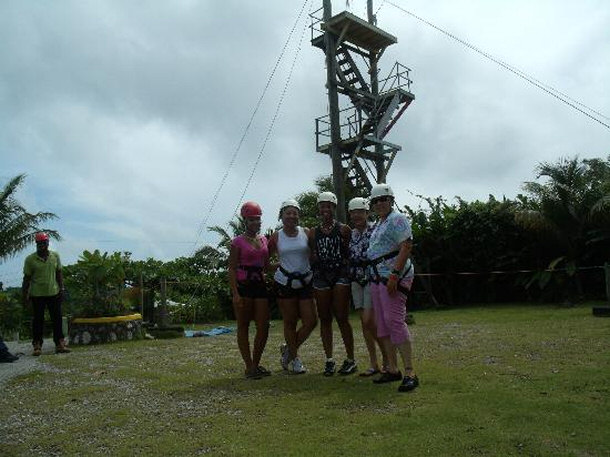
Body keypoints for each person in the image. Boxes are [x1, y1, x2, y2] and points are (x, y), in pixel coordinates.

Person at [366, 183, 419, 392]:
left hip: (392, 276)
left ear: (391, 200)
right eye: (376, 201)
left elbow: (406, 245)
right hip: (378, 277)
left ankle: (410, 372)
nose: (380, 203)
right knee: (382, 324)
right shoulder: (380, 222)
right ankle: (392, 368)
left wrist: (395, 275)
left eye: (383, 199)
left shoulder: (397, 219)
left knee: (394, 321)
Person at [308, 191, 357, 376]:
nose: (325, 209)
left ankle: (351, 359)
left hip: (340, 274)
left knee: (342, 317)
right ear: (318, 209)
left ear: (334, 208)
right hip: (321, 275)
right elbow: (312, 254)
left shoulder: (344, 229)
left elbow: (350, 252)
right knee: (325, 318)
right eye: (322, 206)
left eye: (328, 206)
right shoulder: (313, 232)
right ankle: (329, 359)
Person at [268, 199, 317, 374]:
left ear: (299, 216)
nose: (291, 216)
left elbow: (313, 254)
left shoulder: (306, 232)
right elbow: (266, 260)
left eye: (295, 213)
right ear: (281, 215)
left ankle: (289, 350)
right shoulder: (276, 236)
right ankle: (295, 359)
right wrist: (280, 266)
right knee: (290, 322)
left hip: (305, 281)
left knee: (311, 321)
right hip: (284, 282)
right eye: (288, 212)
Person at [228, 201, 271, 379]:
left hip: (260, 285)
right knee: (243, 326)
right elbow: (231, 268)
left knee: (263, 326)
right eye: (252, 219)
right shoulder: (237, 242)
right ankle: (249, 366)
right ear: (245, 220)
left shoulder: (263, 240)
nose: (256, 222)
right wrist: (235, 293)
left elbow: (267, 266)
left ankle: (256, 362)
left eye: (258, 219)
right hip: (243, 286)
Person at [347, 197, 388, 377]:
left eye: (360, 211)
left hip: (372, 277)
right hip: (356, 279)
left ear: (366, 212)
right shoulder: (352, 234)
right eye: (353, 212)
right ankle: (374, 362)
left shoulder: (375, 229)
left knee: (370, 321)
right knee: (365, 323)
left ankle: (387, 358)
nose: (357, 215)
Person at [22, 232, 70, 356]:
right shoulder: (30, 260)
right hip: (37, 295)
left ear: (48, 243)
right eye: (39, 243)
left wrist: (62, 288)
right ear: (36, 244)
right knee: (38, 320)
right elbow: (26, 279)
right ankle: (37, 345)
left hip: (54, 293)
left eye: (44, 243)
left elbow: (59, 273)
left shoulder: (55, 256)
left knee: (57, 319)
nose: (42, 245)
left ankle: (60, 343)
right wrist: (25, 295)